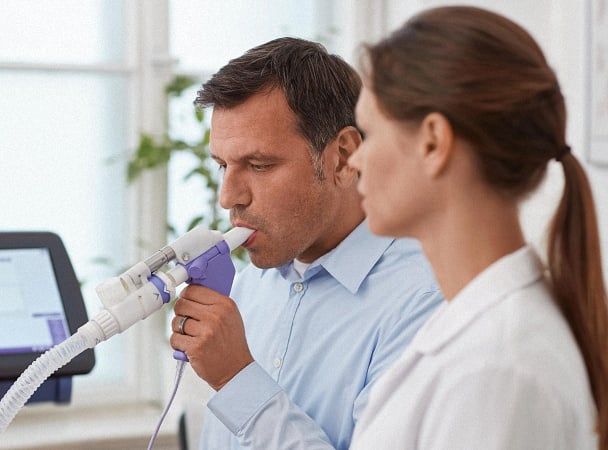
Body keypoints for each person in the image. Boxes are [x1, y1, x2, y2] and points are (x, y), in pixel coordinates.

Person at [347, 6, 608, 449]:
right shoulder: (481, 331)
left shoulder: (496, 370)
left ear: (433, 142)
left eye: (369, 133)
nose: (355, 160)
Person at [168, 37, 444, 450]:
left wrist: (236, 379)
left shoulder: (424, 304)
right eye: (223, 165)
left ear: (342, 156)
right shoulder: (249, 288)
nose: (228, 197)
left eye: (259, 165)